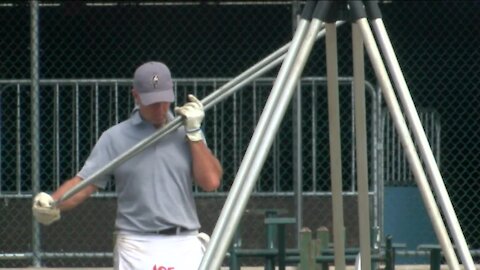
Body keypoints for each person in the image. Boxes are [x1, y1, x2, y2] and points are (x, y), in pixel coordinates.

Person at [32, 61, 223, 269]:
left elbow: (211, 181)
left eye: (164, 100)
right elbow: (84, 183)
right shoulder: (115, 137)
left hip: (184, 243)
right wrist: (53, 202)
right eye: (152, 102)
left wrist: (195, 134)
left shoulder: (186, 131)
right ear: (136, 96)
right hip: (136, 245)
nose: (159, 108)